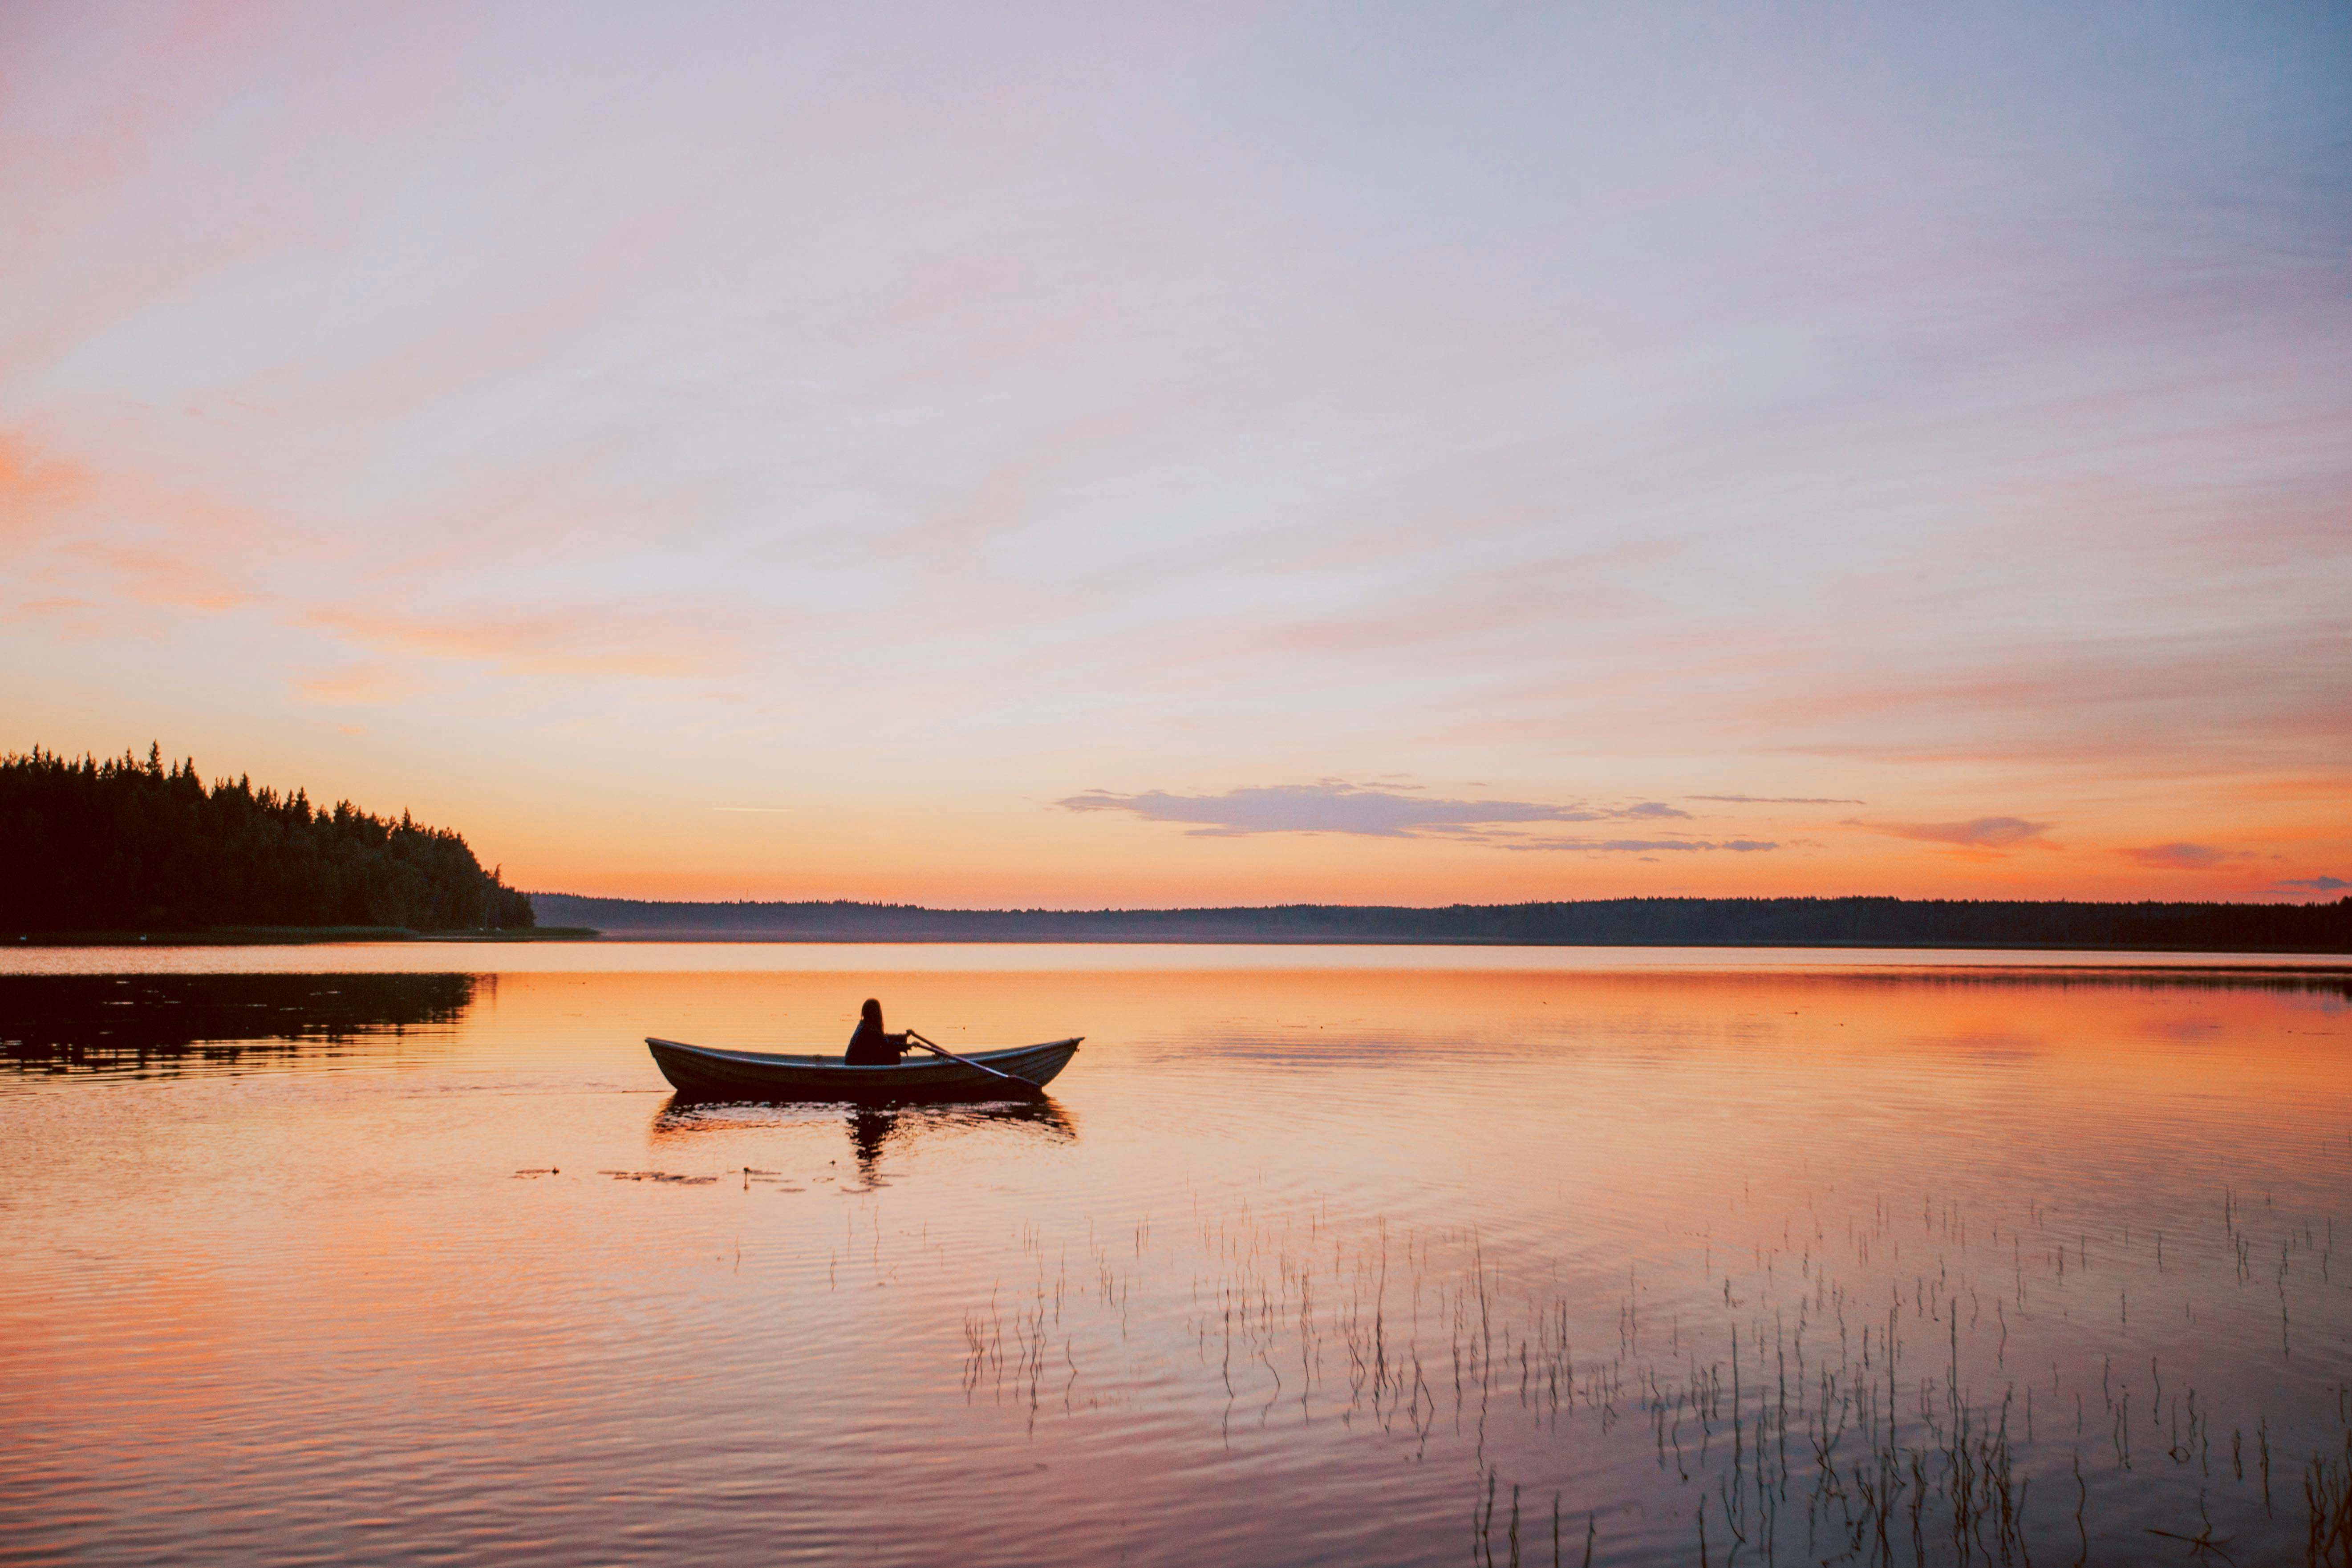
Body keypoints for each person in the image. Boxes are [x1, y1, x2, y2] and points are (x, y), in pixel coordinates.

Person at [843, 997, 908, 1066]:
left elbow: (884, 1038)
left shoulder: (864, 1025)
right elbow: (888, 1044)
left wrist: (904, 1036)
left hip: (852, 1062)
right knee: (893, 1054)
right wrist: (908, 1046)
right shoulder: (869, 1029)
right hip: (855, 1065)